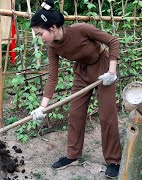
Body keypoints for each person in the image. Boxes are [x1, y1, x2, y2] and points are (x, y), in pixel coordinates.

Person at [29, 0, 121, 178]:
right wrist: (42, 107)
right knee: (76, 114)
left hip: (102, 68)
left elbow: (113, 41)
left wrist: (111, 71)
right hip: (82, 72)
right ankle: (72, 155)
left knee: (107, 116)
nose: (40, 38)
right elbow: (53, 77)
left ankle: (113, 160)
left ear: (53, 27)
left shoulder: (81, 29)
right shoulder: (52, 46)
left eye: (40, 34)